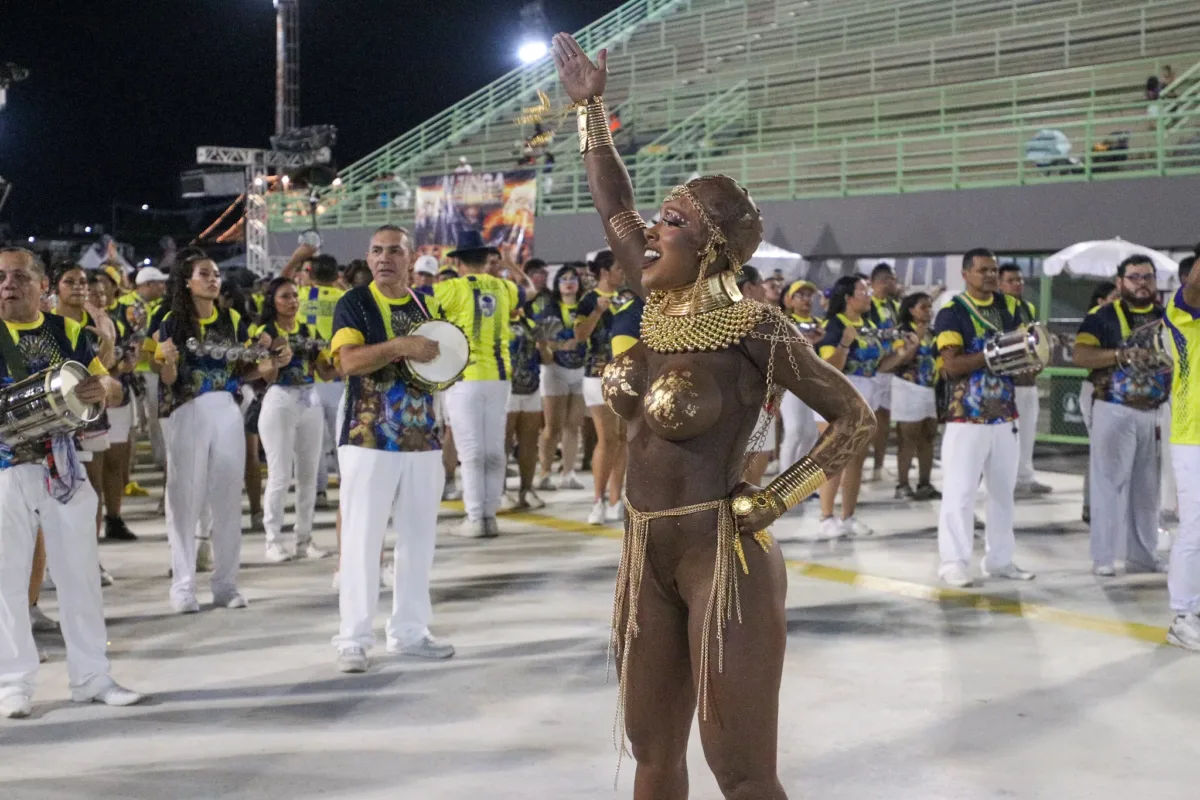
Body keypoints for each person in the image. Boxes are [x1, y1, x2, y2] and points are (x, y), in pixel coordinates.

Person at [553, 33, 875, 799]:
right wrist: (591, 109)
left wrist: (772, 499)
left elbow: (854, 419)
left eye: (672, 221)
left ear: (712, 245)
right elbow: (612, 203)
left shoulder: (758, 329)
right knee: (652, 753)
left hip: (720, 556)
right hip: (644, 550)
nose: (650, 231)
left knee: (739, 769)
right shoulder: (654, 295)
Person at [0, 247, 144, 719]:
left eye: (19, 276)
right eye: (1, 277)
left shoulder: (70, 332)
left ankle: (91, 677)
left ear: (42, 286)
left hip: (62, 466)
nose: (8, 284)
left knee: (79, 575)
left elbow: (114, 387)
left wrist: (103, 389)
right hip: (5, 470)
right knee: (6, 581)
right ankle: (14, 682)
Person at [329, 224, 454, 672]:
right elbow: (347, 362)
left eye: (394, 251)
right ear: (367, 257)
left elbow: (441, 363)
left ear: (411, 256)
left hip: (422, 437)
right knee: (363, 539)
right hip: (369, 437)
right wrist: (402, 346)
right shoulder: (356, 302)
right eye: (377, 251)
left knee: (419, 539)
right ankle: (353, 638)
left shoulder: (426, 303)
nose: (385, 258)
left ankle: (410, 631)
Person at [154, 251, 281, 612]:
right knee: (184, 499)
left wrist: (269, 364)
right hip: (188, 410)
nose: (214, 280)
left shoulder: (234, 319)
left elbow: (244, 371)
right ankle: (183, 586)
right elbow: (169, 379)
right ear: (187, 281)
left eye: (216, 274)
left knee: (227, 498)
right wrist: (166, 361)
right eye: (204, 274)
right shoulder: (173, 322)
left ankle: (225, 584)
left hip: (227, 409)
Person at [934, 248, 1035, 588]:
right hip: (967, 419)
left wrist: (1031, 360)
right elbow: (951, 366)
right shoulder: (952, 313)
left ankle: (1000, 559)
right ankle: (953, 562)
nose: (990, 276)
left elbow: (1025, 359)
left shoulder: (1011, 310)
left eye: (994, 270)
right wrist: (994, 354)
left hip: (1005, 417)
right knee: (960, 493)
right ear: (966, 275)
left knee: (1003, 493)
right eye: (983, 270)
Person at [1073, 256, 1169, 576]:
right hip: (1114, 408)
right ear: (1120, 283)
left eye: (1148, 277)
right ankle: (1103, 559)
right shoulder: (1101, 316)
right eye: (1135, 277)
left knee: (1148, 489)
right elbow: (1081, 355)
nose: (1142, 283)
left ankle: (1142, 556)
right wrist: (1121, 355)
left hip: (1154, 411)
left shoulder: (1166, 316)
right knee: (1109, 485)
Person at [434, 231, 524, 538]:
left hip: (464, 377)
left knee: (471, 451)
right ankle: (489, 515)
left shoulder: (449, 288)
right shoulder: (504, 286)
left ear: (458, 262)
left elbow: (425, 317)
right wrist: (511, 265)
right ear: (487, 260)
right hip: (499, 377)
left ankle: (475, 517)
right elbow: (529, 292)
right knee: (494, 449)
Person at [816, 275, 912, 539]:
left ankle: (848, 516)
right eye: (862, 290)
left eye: (868, 289)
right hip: (837, 394)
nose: (868, 294)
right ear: (848, 298)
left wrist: (901, 355)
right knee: (834, 457)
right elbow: (829, 367)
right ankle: (826, 516)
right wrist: (845, 343)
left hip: (866, 392)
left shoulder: (869, 324)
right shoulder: (834, 325)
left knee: (857, 459)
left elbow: (878, 366)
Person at [254, 276, 338, 563]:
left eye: (294, 296)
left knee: (308, 474)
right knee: (280, 474)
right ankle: (272, 541)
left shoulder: (308, 329)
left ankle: (304, 540)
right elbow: (265, 375)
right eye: (285, 297)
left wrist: (341, 358)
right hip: (280, 399)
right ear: (273, 302)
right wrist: (275, 355)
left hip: (310, 398)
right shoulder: (263, 332)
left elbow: (325, 372)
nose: (292, 302)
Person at [576, 250, 641, 524]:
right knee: (607, 438)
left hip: (624, 374)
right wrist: (597, 311)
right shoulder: (588, 299)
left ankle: (617, 499)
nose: (622, 273)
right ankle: (598, 500)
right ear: (604, 271)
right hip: (596, 374)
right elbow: (580, 336)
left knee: (623, 437)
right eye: (617, 268)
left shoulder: (628, 298)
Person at [283, 251, 345, 512]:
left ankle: (319, 490)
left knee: (314, 441)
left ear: (309, 273)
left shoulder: (300, 298)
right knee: (343, 437)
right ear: (336, 275)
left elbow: (281, 282)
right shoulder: (345, 299)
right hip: (339, 376)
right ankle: (349, 486)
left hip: (308, 377)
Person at [1165, 252, 1200, 650]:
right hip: (1192, 436)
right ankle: (1182, 615)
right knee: (1194, 526)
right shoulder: (1181, 310)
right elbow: (1194, 287)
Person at [533, 263, 587, 493]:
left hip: (581, 370)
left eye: (572, 277)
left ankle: (568, 472)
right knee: (552, 426)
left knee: (573, 426)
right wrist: (560, 345)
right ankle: (545, 472)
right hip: (555, 370)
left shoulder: (587, 306)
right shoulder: (549, 307)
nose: (568, 281)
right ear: (557, 284)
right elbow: (540, 338)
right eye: (563, 278)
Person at [998, 263, 1051, 495]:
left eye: (1019, 280)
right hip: (1010, 383)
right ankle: (1004, 479)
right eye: (1010, 280)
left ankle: (1025, 476)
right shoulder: (999, 309)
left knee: (1028, 432)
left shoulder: (1027, 307)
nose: (1017, 284)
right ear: (1000, 284)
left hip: (1029, 381)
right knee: (1007, 435)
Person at [890, 292, 941, 500]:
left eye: (930, 307)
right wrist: (917, 340)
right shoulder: (901, 332)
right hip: (907, 387)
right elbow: (902, 360)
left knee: (928, 436)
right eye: (923, 307)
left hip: (930, 388)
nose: (928, 311)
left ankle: (925, 483)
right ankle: (902, 484)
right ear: (911, 310)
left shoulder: (934, 332)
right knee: (907, 437)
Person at [505, 305, 553, 510]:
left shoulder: (530, 323)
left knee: (529, 442)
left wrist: (543, 345)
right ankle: (500, 491)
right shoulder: (497, 322)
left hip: (531, 387)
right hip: (506, 388)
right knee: (504, 442)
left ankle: (526, 489)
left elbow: (548, 358)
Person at [777, 279, 822, 488]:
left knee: (810, 433)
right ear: (789, 300)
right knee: (794, 430)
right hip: (790, 383)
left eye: (808, 295)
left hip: (810, 382)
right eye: (800, 295)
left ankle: (800, 481)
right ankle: (785, 484)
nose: (806, 300)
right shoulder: (784, 323)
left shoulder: (817, 324)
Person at [738, 267, 778, 485]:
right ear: (749, 288)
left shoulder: (764, 319)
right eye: (761, 283)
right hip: (747, 402)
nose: (765, 289)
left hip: (761, 400)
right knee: (745, 473)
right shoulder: (754, 322)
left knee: (755, 467)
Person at [866, 263, 900, 482]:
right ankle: (859, 463)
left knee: (884, 418)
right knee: (870, 418)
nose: (893, 283)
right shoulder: (868, 306)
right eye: (889, 279)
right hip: (872, 370)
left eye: (894, 279)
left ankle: (878, 465)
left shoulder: (894, 305)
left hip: (892, 369)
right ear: (877, 282)